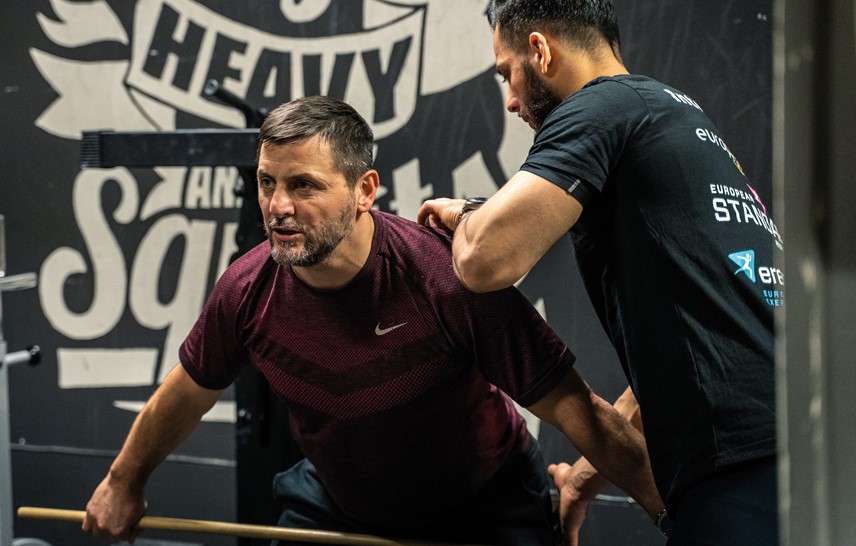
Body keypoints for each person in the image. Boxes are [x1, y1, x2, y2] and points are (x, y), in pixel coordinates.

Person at [82, 95, 662, 546]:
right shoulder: (246, 290)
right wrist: (123, 481)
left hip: (485, 505)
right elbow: (186, 393)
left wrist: (675, 516)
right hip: (339, 506)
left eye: (303, 185)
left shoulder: (444, 280)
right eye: (267, 182)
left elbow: (579, 411)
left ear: (364, 190)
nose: (278, 207)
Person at [417, 1, 781, 544]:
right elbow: (695, 343)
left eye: (507, 74)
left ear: (540, 51)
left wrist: (465, 212)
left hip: (741, 465)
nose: (511, 100)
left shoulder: (598, 106)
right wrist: (586, 477)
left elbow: (483, 260)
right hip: (787, 447)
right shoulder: (670, 112)